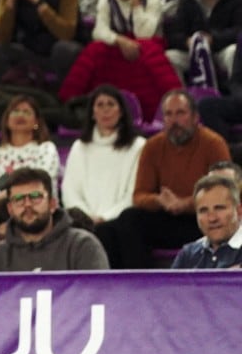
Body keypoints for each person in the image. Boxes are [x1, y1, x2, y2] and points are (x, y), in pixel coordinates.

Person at [95, 90, 231, 269]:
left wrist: (185, 203)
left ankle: (144, 285)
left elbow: (225, 192)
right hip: (166, 213)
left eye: (180, 113)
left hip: (201, 217)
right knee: (115, 227)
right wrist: (159, 200)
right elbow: (140, 196)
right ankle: (131, 285)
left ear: (195, 117)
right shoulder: (153, 146)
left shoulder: (214, 144)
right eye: (168, 114)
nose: (174, 121)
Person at [58, 0, 180, 118]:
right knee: (95, 49)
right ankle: (70, 105)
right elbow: (99, 31)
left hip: (146, 46)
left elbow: (144, 33)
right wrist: (119, 41)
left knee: (147, 48)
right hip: (118, 47)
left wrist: (135, 0)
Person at [0, 168, 108, 272]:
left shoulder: (83, 245)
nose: (27, 204)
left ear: (52, 204)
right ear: (10, 209)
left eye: (35, 196)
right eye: (18, 199)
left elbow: (99, 295)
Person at [63, 85, 142, 227]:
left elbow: (133, 193)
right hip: (82, 224)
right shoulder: (79, 147)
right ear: (92, 113)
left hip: (120, 223)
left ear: (121, 111)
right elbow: (70, 191)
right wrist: (86, 218)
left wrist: (105, 218)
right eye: (100, 105)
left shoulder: (138, 146)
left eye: (111, 104)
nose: (105, 110)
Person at [0, 96, 63, 207]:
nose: (20, 115)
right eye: (15, 111)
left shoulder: (46, 149)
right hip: (2, 209)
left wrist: (9, 195)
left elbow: (43, 182)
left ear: (36, 122)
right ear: (6, 121)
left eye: (27, 112)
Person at [167, 0, 241, 89]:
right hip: (193, 51)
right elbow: (174, 33)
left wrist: (213, 39)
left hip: (221, 50)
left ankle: (236, 95)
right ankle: (183, 99)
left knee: (234, 52)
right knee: (170, 57)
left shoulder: (235, 0)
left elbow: (238, 30)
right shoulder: (187, 1)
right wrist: (187, 41)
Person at [169, 173, 242, 269]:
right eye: (203, 211)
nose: (212, 218)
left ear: (239, 210)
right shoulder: (188, 255)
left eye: (219, 208)